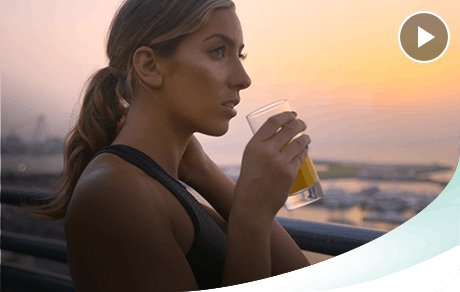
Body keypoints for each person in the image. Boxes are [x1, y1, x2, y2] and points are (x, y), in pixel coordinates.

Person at [23, 0, 312, 290]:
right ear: (149, 66)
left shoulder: (153, 185)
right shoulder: (115, 194)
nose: (243, 79)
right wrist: (252, 213)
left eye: (240, 54)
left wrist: (204, 171)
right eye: (218, 51)